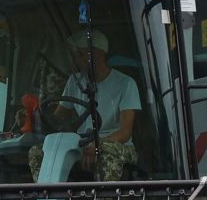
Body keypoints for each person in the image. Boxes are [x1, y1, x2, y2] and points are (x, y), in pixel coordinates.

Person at [28, 29, 143, 182]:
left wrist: (98, 144)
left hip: (116, 145)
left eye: (81, 55)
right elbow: (58, 119)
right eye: (76, 56)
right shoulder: (75, 81)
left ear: (98, 54)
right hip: (83, 145)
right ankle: (48, 198)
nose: (77, 60)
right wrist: (33, 115)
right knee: (37, 151)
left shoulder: (126, 83)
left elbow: (125, 132)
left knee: (105, 155)